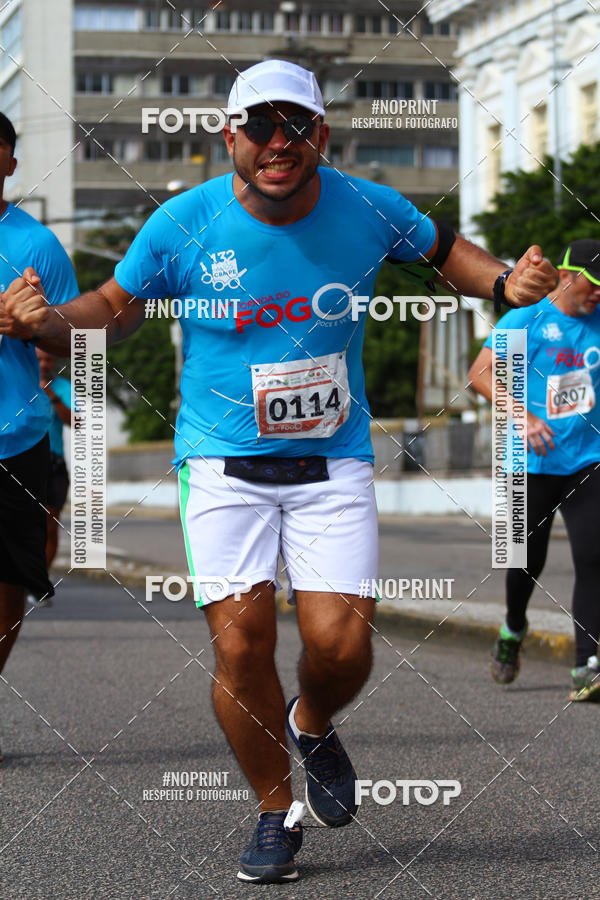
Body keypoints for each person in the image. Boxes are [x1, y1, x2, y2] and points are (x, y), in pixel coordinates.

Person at [2, 60, 556, 882]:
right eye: (259, 126)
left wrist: (505, 280)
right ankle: (275, 810)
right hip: (221, 469)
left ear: (320, 136)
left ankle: (314, 719)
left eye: (295, 126)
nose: (278, 142)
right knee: (242, 646)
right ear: (230, 136)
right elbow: (111, 312)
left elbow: (447, 255)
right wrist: (49, 324)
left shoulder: (367, 205)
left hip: (333, 462)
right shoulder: (183, 224)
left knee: (344, 646)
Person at [469, 238, 600, 702]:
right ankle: (513, 628)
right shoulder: (527, 318)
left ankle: (588, 663)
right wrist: (521, 415)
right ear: (566, 276)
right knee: (523, 561)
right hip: (524, 462)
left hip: (588, 459)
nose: (599, 294)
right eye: (594, 284)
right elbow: (481, 372)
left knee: (594, 556)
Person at [0, 111, 78, 758]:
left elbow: (81, 340)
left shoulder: (37, 247)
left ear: (10, 162)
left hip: (17, 435)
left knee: (10, 577)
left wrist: (34, 327)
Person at [32, 348, 72, 602]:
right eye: (39, 359)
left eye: (49, 359)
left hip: (53, 461)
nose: (44, 364)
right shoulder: (14, 381)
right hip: (20, 459)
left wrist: (51, 394)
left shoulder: (62, 387)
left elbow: (74, 421)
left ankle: (39, 583)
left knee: (50, 523)